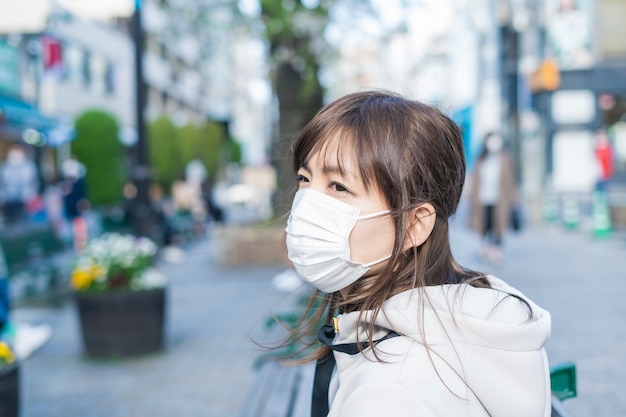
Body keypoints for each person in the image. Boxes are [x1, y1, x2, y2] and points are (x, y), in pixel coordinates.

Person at [281, 91, 551, 417]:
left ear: (413, 225)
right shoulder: (481, 319)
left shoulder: (387, 395)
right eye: (304, 179)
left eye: (338, 186)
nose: (307, 204)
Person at [468, 132, 518, 265]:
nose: (494, 144)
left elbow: (510, 180)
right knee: (484, 224)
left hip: (499, 199)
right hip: (483, 198)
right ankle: (484, 248)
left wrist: (513, 199)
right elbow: (475, 180)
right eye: (491, 141)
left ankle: (496, 250)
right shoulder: (481, 159)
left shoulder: (504, 159)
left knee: (498, 225)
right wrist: (472, 198)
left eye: (496, 141)